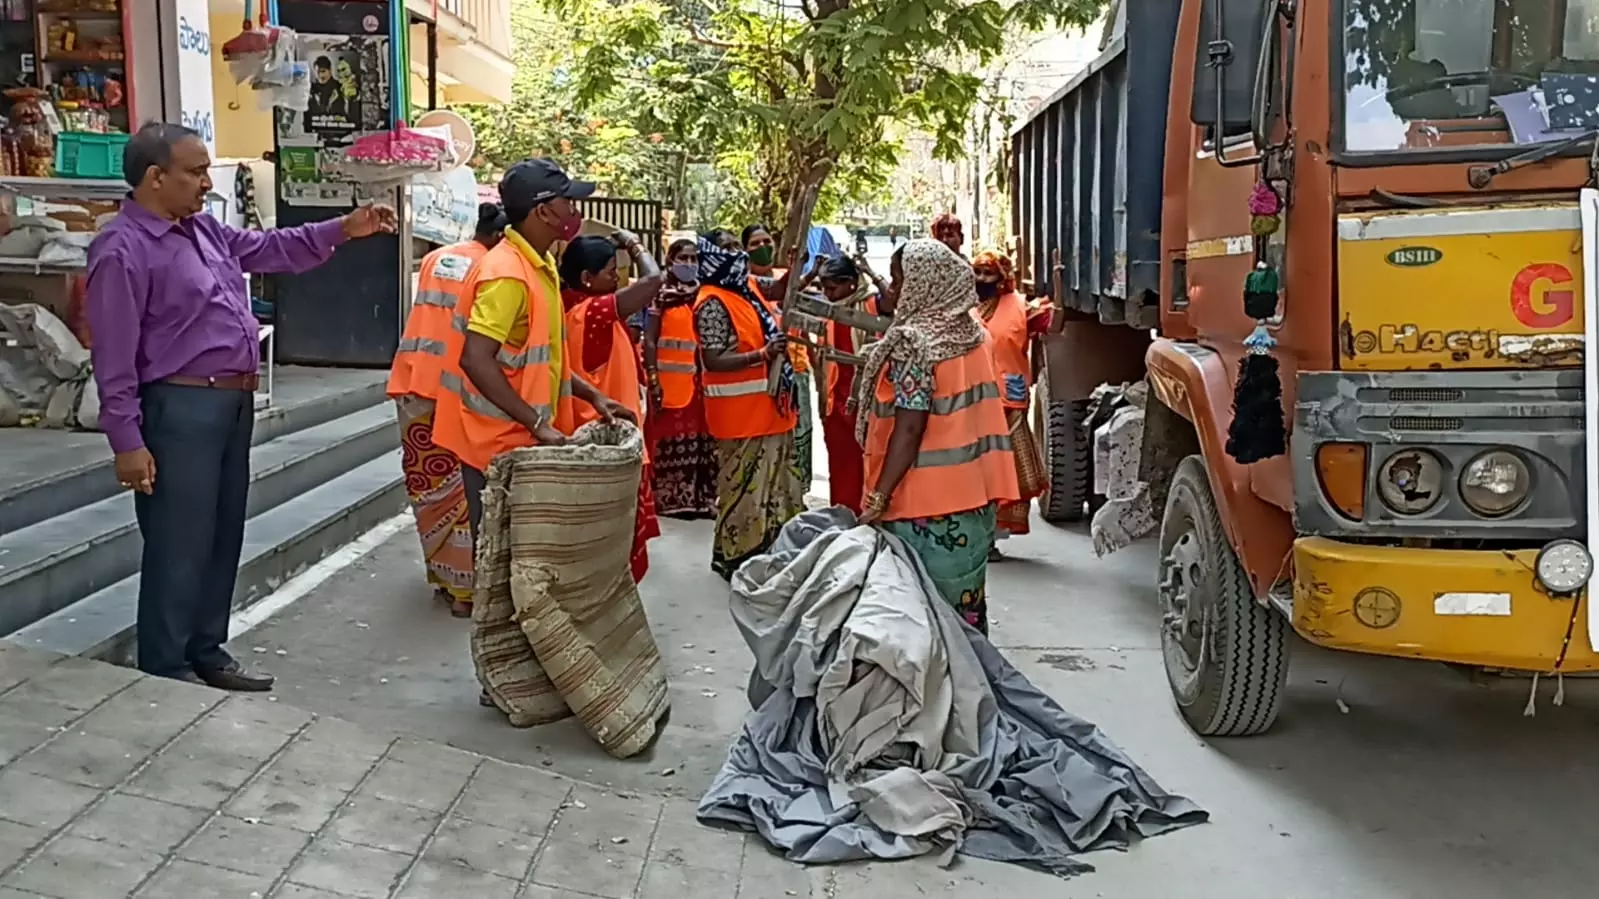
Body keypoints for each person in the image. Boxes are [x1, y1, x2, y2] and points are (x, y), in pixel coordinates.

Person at [85, 122, 396, 689]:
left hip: (230, 403)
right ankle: (166, 663)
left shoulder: (202, 230)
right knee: (178, 538)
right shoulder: (122, 250)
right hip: (179, 406)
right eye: (196, 172)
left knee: (222, 530)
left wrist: (343, 229)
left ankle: (206, 646)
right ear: (156, 178)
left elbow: (269, 249)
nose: (207, 183)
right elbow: (113, 355)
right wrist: (126, 441)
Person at [431, 159, 635, 546]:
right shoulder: (507, 274)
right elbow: (475, 359)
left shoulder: (536, 266)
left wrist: (593, 395)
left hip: (518, 440)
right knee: (504, 568)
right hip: (496, 444)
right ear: (543, 211)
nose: (575, 212)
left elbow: (542, 360)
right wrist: (535, 422)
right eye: (568, 202)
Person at [854, 239, 1019, 634]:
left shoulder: (915, 343)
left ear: (925, 284)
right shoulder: (974, 332)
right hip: (974, 501)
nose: (889, 291)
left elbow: (910, 428)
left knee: (923, 620)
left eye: (897, 280)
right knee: (965, 613)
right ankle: (971, 686)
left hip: (922, 507)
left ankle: (938, 692)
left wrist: (878, 497)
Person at [386, 202, 506, 617]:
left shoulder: (440, 257)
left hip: (414, 383)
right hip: (459, 391)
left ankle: (442, 575)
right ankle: (466, 590)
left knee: (429, 487)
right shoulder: (495, 268)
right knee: (464, 490)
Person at [692, 236, 804, 579]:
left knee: (774, 488)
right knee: (742, 492)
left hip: (770, 411)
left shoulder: (747, 286)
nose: (738, 255)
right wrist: (763, 355)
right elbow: (714, 360)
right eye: (728, 248)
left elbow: (779, 290)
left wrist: (796, 263)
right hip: (739, 416)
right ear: (714, 258)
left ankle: (768, 551)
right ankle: (737, 555)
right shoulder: (711, 302)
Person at [558, 231, 665, 582]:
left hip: (589, 437)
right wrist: (634, 244)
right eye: (610, 271)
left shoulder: (571, 307)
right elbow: (652, 280)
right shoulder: (594, 311)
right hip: (606, 442)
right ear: (587, 279)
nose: (618, 278)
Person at [973, 249, 1053, 549]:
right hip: (973, 401)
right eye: (978, 273)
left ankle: (992, 537)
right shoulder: (962, 306)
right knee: (977, 470)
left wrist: (1058, 281)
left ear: (1002, 278)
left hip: (1009, 402)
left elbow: (1053, 323)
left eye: (988, 274)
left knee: (1007, 471)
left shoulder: (1021, 306)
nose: (981, 279)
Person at [643, 239, 718, 518]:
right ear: (670, 259)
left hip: (700, 385)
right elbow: (649, 340)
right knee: (670, 441)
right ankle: (671, 500)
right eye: (683, 258)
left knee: (702, 443)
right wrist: (653, 379)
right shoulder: (660, 293)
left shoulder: (702, 295)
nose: (689, 264)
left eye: (694, 258)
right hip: (669, 383)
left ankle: (701, 499)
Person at [811, 254, 889, 513]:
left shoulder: (871, 306)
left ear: (851, 284)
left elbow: (893, 300)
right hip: (835, 402)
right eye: (824, 288)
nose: (827, 294)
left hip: (867, 402)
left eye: (832, 288)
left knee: (869, 463)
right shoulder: (828, 311)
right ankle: (843, 516)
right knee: (841, 466)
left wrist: (870, 272)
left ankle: (868, 515)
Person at [744, 223, 814, 493]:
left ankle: (797, 490)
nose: (762, 248)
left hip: (796, 368)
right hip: (764, 373)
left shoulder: (787, 277)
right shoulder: (745, 285)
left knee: (800, 432)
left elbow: (793, 300)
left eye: (766, 242)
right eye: (755, 244)